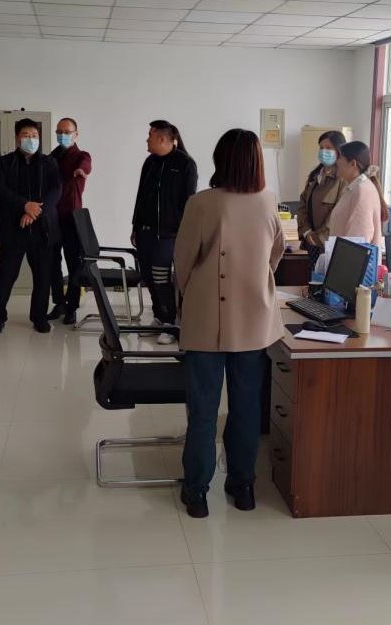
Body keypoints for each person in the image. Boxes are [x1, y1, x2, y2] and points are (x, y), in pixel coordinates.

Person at [174, 128, 284, 518]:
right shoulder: (268, 200)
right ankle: (243, 487)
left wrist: (192, 295)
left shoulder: (202, 203)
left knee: (203, 411)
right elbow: (275, 254)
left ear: (220, 159)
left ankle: (197, 492)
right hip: (254, 322)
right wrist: (254, 282)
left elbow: (182, 263)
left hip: (206, 322)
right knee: (246, 409)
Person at [0, 118, 62, 335]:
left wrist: (33, 212)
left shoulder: (49, 162)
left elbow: (56, 191)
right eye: (26, 135)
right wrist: (24, 205)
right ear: (16, 138)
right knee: (6, 275)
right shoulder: (5, 162)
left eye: (34, 136)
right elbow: (0, 190)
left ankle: (39, 317)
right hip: (13, 229)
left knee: (42, 276)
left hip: (42, 229)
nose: (31, 139)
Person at [131, 120, 198, 345]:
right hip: (145, 231)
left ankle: (171, 323)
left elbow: (189, 202)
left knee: (161, 276)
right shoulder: (150, 162)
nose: (147, 139)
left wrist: (184, 231)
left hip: (169, 234)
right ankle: (159, 316)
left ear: (162, 138)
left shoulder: (185, 163)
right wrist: (135, 226)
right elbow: (140, 197)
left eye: (150, 135)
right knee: (147, 276)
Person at [46, 117, 92, 326]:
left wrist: (81, 171)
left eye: (67, 131)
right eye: (59, 132)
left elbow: (85, 166)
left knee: (74, 264)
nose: (62, 135)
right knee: (52, 263)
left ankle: (72, 307)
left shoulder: (82, 156)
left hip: (72, 219)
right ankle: (59, 303)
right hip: (52, 218)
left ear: (76, 134)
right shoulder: (51, 157)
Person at [327, 140, 388, 251]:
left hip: (351, 259)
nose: (336, 162)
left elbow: (360, 238)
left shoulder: (362, 190)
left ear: (353, 164)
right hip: (342, 257)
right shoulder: (353, 188)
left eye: (340, 158)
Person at [297, 130, 345, 262]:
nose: (324, 152)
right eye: (321, 148)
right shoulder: (316, 175)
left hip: (329, 244)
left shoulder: (342, 179)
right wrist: (306, 231)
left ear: (339, 151)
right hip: (310, 243)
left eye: (328, 148)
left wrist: (318, 238)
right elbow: (303, 204)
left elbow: (337, 214)